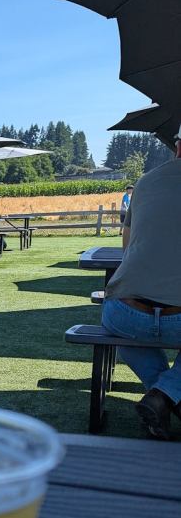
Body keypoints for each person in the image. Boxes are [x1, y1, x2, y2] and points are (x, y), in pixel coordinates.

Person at [102, 126, 181, 439]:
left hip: (125, 312)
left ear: (177, 147)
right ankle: (166, 396)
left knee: (118, 328)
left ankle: (162, 399)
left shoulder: (146, 182)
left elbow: (127, 248)